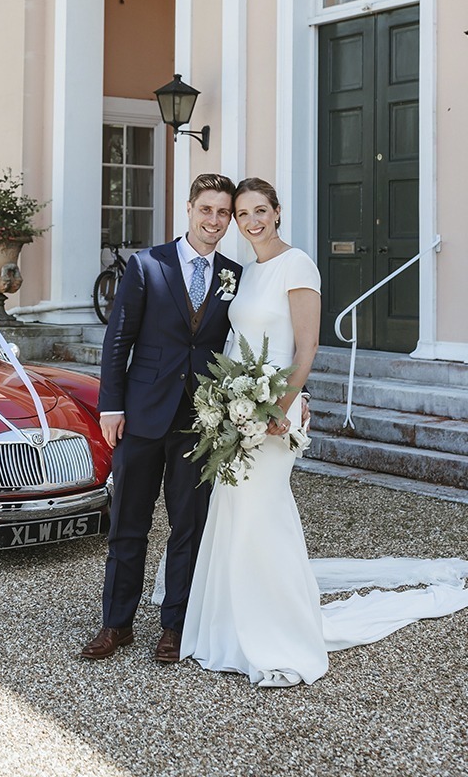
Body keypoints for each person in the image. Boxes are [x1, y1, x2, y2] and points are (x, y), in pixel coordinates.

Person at [179, 177, 468, 687]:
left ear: (278, 211)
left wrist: (281, 406)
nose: (251, 222)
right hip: (236, 412)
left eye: (260, 211)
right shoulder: (245, 271)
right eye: (242, 214)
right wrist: (229, 403)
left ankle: (278, 631)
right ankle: (226, 625)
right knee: (233, 514)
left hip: (274, 415)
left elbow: (306, 346)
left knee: (263, 515)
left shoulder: (298, 264)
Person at [80, 173, 242, 663]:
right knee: (128, 523)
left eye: (223, 213)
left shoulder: (235, 274)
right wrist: (112, 404)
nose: (214, 221)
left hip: (200, 420)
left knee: (187, 526)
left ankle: (175, 625)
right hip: (142, 416)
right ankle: (116, 623)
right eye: (206, 210)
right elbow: (118, 339)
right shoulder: (148, 265)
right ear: (189, 208)